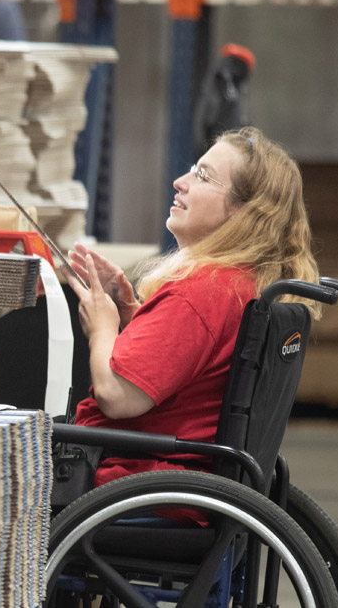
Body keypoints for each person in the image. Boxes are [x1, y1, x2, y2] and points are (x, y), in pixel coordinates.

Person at [65, 126, 322, 490]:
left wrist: (103, 328)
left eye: (203, 176)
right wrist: (131, 314)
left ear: (242, 212)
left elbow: (116, 396)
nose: (180, 182)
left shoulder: (201, 291)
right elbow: (193, 365)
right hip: (175, 482)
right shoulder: (236, 284)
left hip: (134, 482)